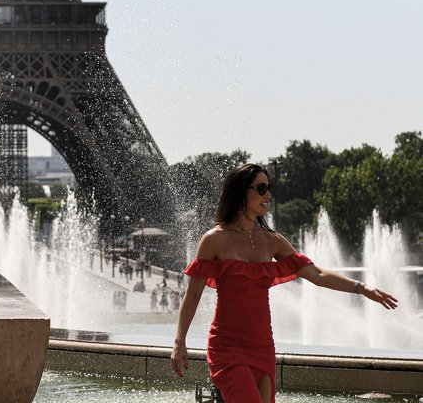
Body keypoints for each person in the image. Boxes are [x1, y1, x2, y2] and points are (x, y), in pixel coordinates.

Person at [170, 163, 398, 403]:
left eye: (269, 188)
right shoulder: (214, 240)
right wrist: (179, 342)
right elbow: (193, 294)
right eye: (260, 188)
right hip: (228, 348)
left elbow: (316, 274)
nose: (268, 194)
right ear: (240, 191)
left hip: (262, 346)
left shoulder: (272, 241)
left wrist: (362, 288)